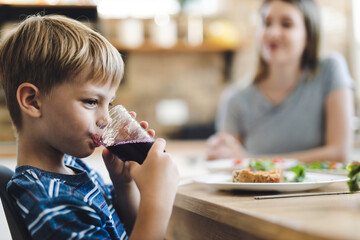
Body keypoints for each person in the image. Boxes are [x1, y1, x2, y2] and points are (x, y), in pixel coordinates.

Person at [0, 15, 179, 239]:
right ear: (32, 101)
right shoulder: (48, 198)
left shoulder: (76, 170)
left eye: (110, 103)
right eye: (91, 101)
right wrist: (157, 200)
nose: (106, 119)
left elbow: (128, 231)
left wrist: (124, 185)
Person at [207, 0, 354, 163]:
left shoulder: (330, 70)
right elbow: (226, 164)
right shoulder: (235, 99)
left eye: (286, 24)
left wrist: (254, 161)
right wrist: (218, 153)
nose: (273, 33)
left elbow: (339, 154)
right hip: (259, 190)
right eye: (266, 23)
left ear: (308, 37)